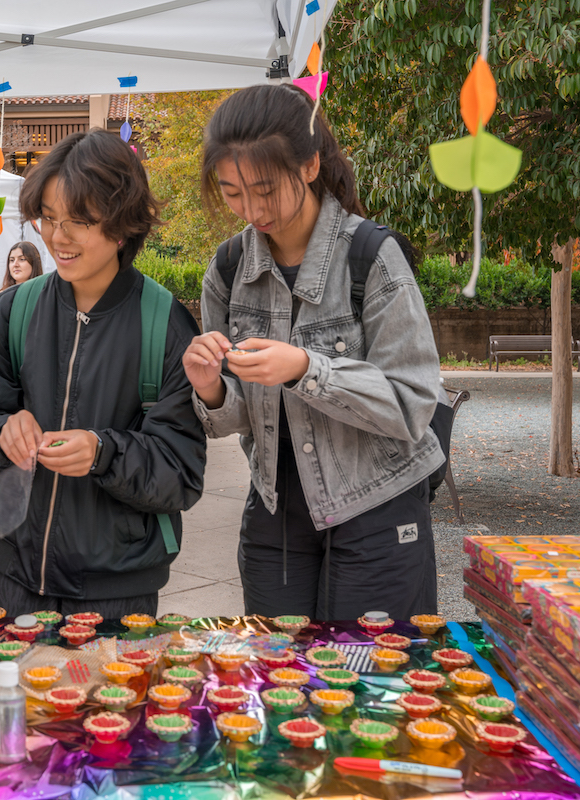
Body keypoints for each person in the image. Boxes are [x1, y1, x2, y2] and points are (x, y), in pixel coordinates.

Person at [183, 84, 443, 620]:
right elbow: (234, 414)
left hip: (378, 506)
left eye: (263, 188)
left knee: (368, 684)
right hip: (275, 514)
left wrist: (307, 369)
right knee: (281, 685)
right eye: (232, 192)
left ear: (308, 166)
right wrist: (209, 386)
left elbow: (414, 402)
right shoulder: (229, 269)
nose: (251, 209)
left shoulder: (372, 256)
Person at [0, 130, 207, 617]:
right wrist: (2, 431)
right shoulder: (10, 312)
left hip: (118, 588)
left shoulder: (164, 324)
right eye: (48, 218)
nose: (57, 237)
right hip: (14, 575)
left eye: (79, 221)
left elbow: (181, 474)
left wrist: (103, 452)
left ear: (122, 227)